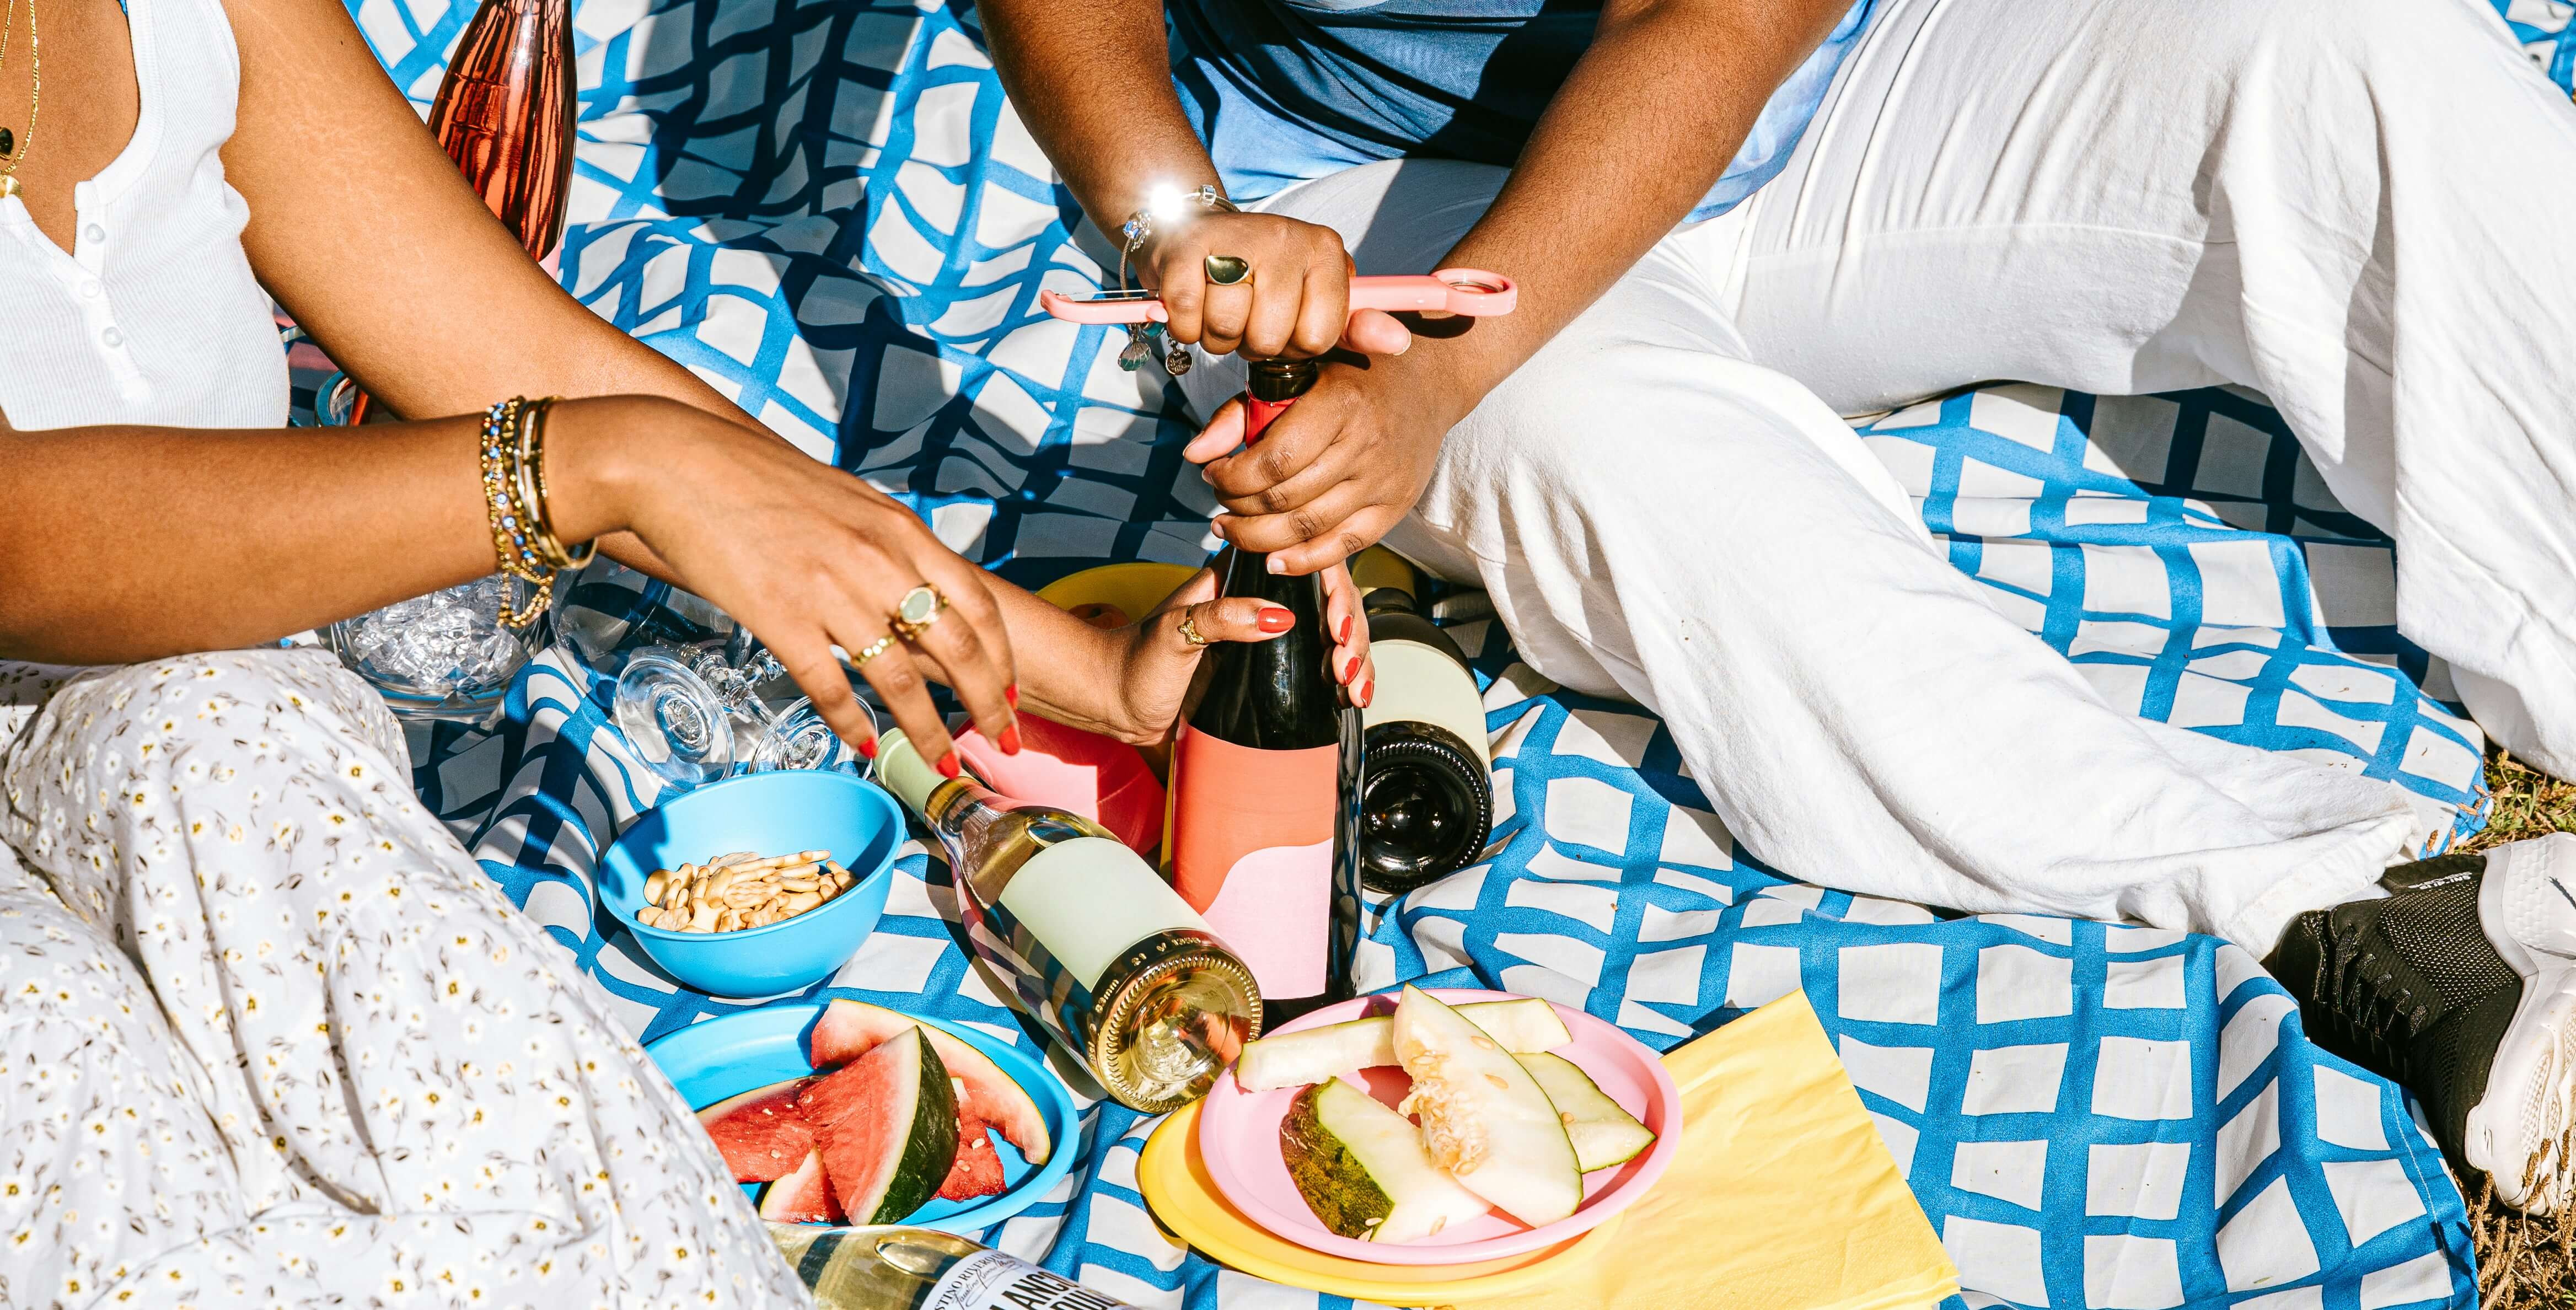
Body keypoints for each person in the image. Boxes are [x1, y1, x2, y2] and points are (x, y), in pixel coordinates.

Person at [976, 0, 2576, 1211]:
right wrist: (1182, 228)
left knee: (2348, 45)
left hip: (1842, 89)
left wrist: (1446, 372)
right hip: (1359, 193)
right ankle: (2363, 905)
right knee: (1592, 446)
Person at [0, 0, 1371, 1299]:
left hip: (206, 689)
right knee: (63, 1067)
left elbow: (504, 354)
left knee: (273, 801)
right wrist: (587, 466)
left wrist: (1084, 670)